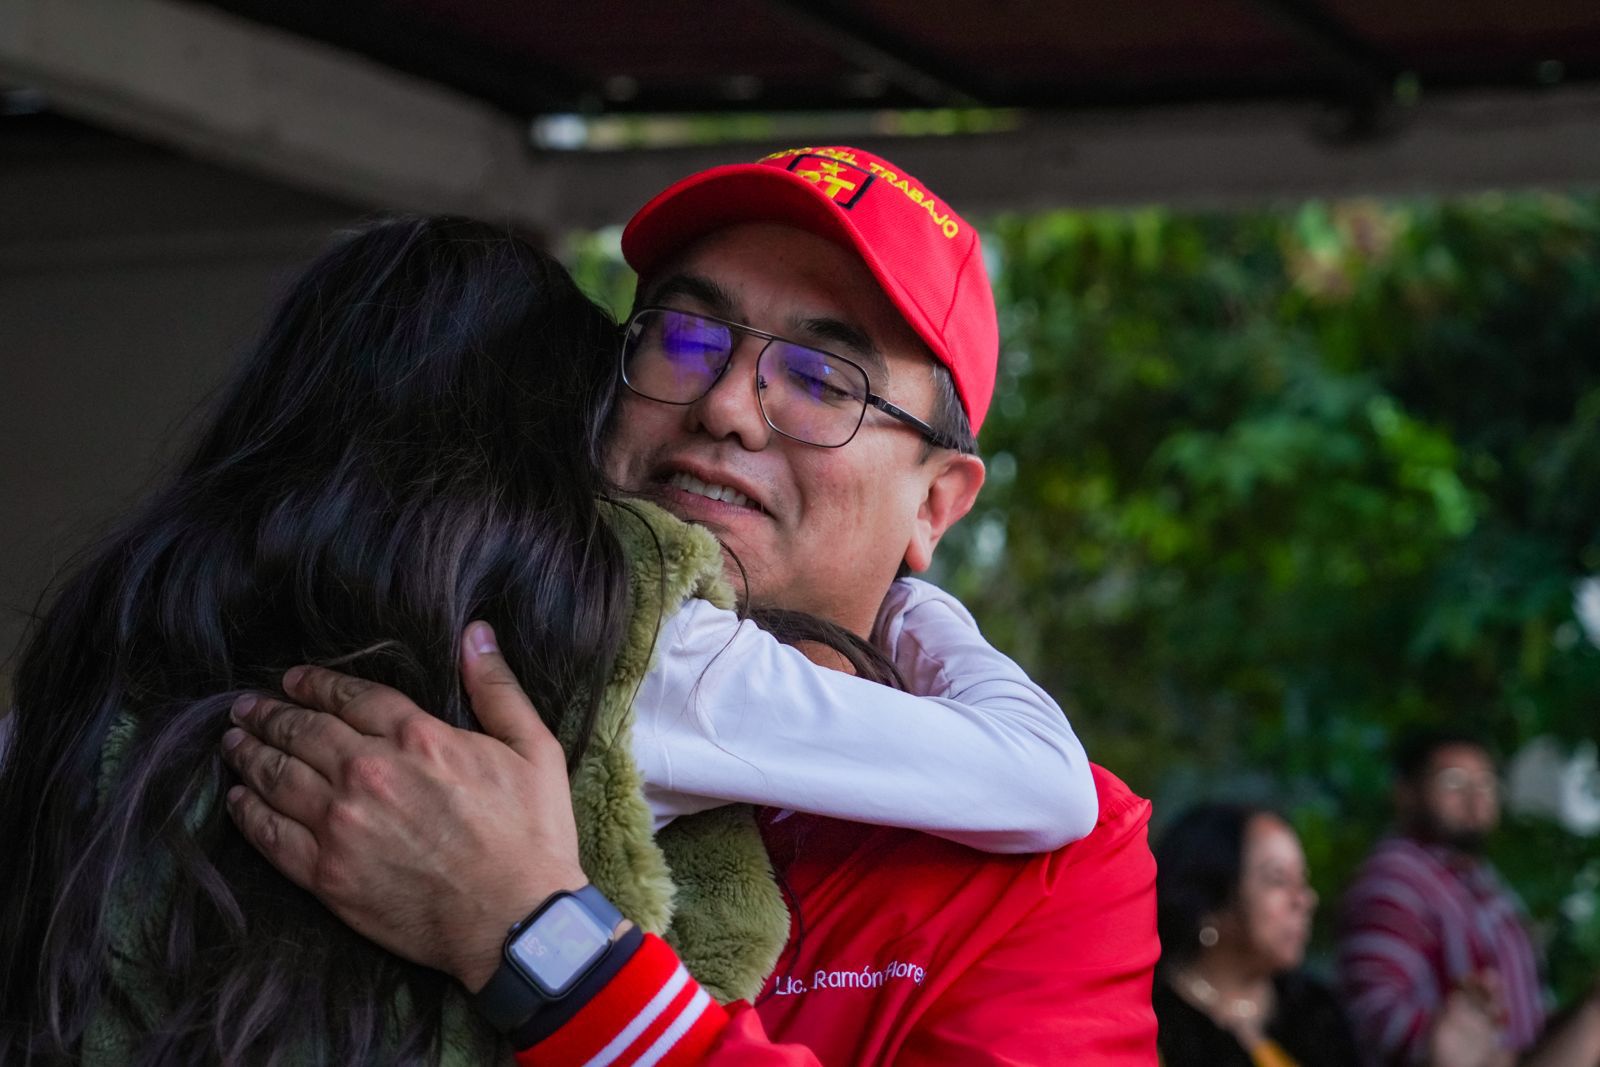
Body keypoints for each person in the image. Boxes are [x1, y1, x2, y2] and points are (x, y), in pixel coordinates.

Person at [0, 216, 1098, 1063]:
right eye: (682, 336)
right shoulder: (608, 636)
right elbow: (1036, 772)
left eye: (822, 378)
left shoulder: (133, 636)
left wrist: (531, 930)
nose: (723, 402)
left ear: (937, 505)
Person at [1338, 731, 1600, 1067]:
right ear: (1406, 793)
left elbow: (1527, 1028)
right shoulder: (1394, 881)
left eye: (1486, 783)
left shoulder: (1484, 884)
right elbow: (1374, 1017)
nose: (1475, 799)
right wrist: (1460, 1044)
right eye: (1454, 783)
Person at [1153, 803, 1357, 1067]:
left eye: (1302, 880)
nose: (1305, 899)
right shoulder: (1159, 1026)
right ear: (1212, 902)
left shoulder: (1316, 1011)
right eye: (1279, 880)